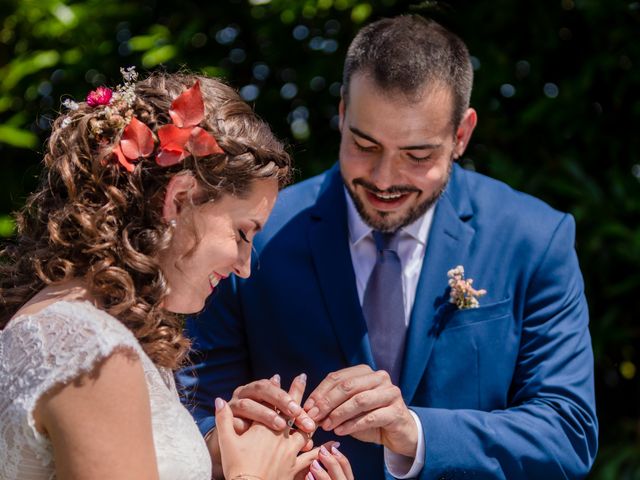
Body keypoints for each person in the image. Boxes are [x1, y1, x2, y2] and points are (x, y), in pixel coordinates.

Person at [179, 14, 599, 480]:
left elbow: (568, 431)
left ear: (461, 135)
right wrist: (229, 443)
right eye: (364, 144)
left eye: (417, 156)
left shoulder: (534, 238)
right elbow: (192, 409)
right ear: (342, 114)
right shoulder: (256, 234)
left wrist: (415, 433)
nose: (384, 179)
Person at [0, 69, 354, 480]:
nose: (243, 266)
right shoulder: (90, 349)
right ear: (180, 199)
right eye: (242, 233)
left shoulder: (85, 326)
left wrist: (216, 458)